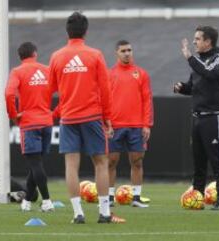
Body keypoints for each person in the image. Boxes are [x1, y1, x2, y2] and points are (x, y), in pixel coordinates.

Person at [49, 12, 124, 224]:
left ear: (67, 31)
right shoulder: (95, 55)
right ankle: (104, 213)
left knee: (71, 165)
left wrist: (54, 112)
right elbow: (106, 89)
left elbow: (51, 89)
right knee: (101, 163)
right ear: (86, 31)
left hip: (68, 118)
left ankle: (78, 214)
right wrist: (107, 117)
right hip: (92, 116)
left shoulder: (56, 56)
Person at [173, 26, 219, 210]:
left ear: (208, 42)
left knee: (218, 161)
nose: (194, 41)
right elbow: (194, 87)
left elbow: (209, 72)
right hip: (197, 118)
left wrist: (190, 57)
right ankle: (197, 198)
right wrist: (182, 87)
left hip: (214, 118)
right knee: (198, 162)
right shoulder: (198, 62)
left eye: (197, 39)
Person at [5, 42, 54, 212]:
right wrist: (54, 113)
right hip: (47, 122)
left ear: (20, 57)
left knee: (35, 164)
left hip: (29, 122)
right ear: (35, 53)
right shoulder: (47, 70)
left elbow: (9, 93)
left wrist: (13, 115)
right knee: (37, 164)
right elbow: (64, 90)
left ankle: (47, 201)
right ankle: (26, 202)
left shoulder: (18, 71)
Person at [108, 40, 153, 208]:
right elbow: (104, 100)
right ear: (116, 53)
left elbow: (147, 100)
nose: (127, 53)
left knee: (137, 161)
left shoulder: (141, 74)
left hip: (136, 125)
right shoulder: (109, 74)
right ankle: (109, 199)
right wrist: (107, 124)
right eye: (123, 50)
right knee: (111, 162)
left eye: (129, 50)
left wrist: (146, 124)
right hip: (115, 125)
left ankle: (136, 198)